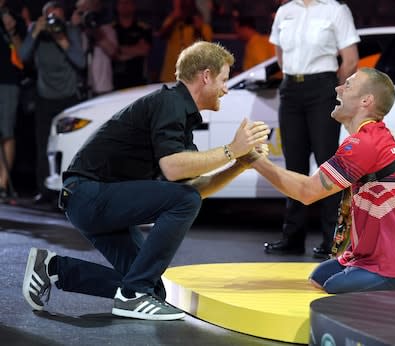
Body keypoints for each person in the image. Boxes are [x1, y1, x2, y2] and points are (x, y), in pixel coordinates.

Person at [22, 41, 270, 320]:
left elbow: (193, 188)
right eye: (224, 79)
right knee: (145, 280)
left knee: (154, 290)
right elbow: (174, 171)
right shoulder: (170, 102)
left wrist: (239, 164)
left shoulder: (180, 114)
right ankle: (132, 295)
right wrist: (230, 149)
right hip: (87, 195)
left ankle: (54, 268)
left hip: (98, 199)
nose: (226, 88)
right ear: (206, 76)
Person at [249, 67, 395, 293]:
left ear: (366, 101)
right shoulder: (370, 137)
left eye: (347, 85)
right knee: (319, 277)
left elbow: (306, 192)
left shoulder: (364, 144)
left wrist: (252, 159)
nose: (337, 88)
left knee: (331, 287)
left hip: (388, 268)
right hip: (364, 258)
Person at [265, 0, 360, 258]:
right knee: (293, 165)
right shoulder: (285, 12)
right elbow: (281, 57)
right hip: (290, 91)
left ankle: (332, 240)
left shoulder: (335, 9)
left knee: (327, 166)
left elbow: (350, 60)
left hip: (323, 88)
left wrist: (331, 89)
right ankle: (292, 237)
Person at [20, 1, 85, 205]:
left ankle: (69, 191)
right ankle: (44, 190)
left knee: (70, 145)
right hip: (44, 96)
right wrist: (34, 31)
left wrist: (62, 39)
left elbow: (81, 62)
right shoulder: (36, 32)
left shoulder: (69, 31)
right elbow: (22, 57)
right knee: (43, 145)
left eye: (57, 17)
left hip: (68, 98)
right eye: (49, 18)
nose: (53, 22)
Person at [0, 0, 25, 201]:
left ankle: (2, 184)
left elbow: (23, 56)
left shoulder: (14, 19)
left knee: (6, 131)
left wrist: (12, 31)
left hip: (7, 81)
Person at [157, 0, 213, 82]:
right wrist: (175, 19)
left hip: (192, 79)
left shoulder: (203, 27)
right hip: (170, 76)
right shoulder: (172, 21)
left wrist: (198, 29)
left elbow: (206, 49)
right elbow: (161, 36)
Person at [71, 0, 118, 95]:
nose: (85, 14)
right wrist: (73, 27)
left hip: (103, 87)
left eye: (88, 9)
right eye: (82, 11)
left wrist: (94, 30)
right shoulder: (73, 32)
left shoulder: (106, 29)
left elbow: (113, 52)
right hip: (78, 89)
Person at [112, 0, 152, 90]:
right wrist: (134, 49)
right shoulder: (111, 29)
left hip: (138, 78)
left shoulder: (143, 28)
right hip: (115, 80)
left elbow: (144, 50)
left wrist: (119, 50)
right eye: (121, 3)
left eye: (127, 2)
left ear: (134, 6)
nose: (124, 5)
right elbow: (112, 52)